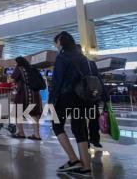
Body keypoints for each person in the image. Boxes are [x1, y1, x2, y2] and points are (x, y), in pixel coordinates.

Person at [50, 31, 92, 177]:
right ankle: (86, 168)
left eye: (55, 43)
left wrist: (51, 101)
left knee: (57, 125)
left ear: (60, 42)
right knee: (79, 129)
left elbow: (57, 82)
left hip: (65, 97)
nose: (55, 46)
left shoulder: (62, 57)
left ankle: (74, 160)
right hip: (82, 98)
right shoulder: (83, 57)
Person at [77, 44, 107, 148]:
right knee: (93, 118)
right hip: (92, 96)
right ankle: (95, 139)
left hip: (79, 97)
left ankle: (86, 140)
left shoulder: (73, 63)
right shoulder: (90, 63)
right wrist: (104, 96)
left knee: (81, 120)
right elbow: (98, 79)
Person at [9, 57, 42, 140]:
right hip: (35, 94)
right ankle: (37, 135)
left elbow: (11, 80)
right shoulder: (33, 68)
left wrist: (10, 77)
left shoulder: (19, 68)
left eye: (15, 63)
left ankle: (21, 133)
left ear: (18, 62)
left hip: (23, 94)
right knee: (34, 114)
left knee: (17, 113)